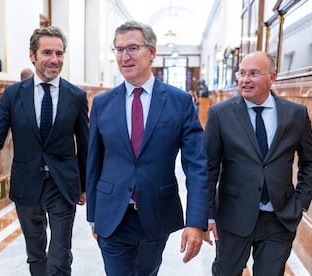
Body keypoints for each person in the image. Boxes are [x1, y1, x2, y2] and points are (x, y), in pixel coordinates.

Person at [86, 20, 208, 276]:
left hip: (156, 212)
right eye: (119, 49)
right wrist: (93, 214)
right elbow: (94, 162)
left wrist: (197, 220)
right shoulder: (102, 104)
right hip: (112, 214)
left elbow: (197, 166)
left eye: (132, 48)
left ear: (152, 52)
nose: (124, 56)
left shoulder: (180, 102)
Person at [0, 26, 89, 276]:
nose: (54, 59)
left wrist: (84, 185)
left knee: (60, 254)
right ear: (32, 55)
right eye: (47, 52)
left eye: (59, 53)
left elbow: (85, 144)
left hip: (63, 184)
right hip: (27, 183)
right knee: (36, 253)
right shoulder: (13, 95)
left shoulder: (76, 96)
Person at [203, 51, 312, 275]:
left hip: (279, 217)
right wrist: (207, 214)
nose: (245, 80)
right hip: (232, 216)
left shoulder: (295, 114)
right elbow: (209, 168)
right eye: (242, 73)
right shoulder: (221, 114)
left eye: (254, 73)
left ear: (273, 77)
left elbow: (311, 161)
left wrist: (300, 203)